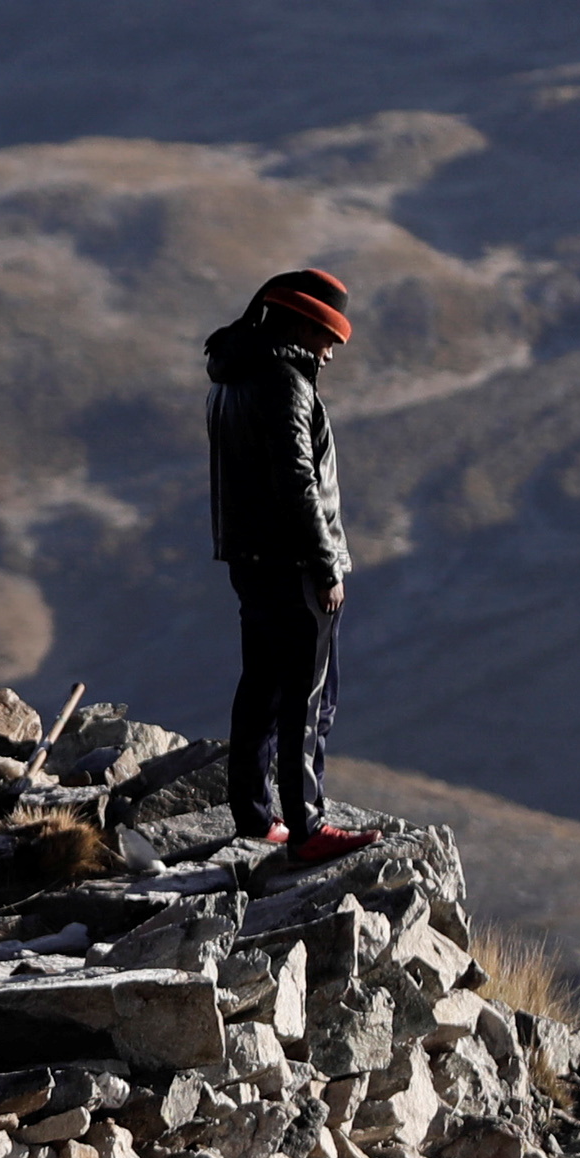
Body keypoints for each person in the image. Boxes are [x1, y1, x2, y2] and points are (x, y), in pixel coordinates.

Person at [202, 268, 375, 865]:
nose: (330, 351)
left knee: (262, 687)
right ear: (299, 323)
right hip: (294, 563)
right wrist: (326, 564)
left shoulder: (231, 376)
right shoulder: (284, 382)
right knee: (307, 693)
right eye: (327, 335)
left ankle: (255, 815)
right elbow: (298, 484)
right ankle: (308, 827)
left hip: (248, 558)